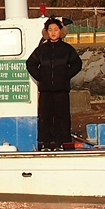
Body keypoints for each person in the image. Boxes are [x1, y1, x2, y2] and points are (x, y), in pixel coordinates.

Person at [25, 17, 82, 150]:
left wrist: (66, 75)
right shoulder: (41, 50)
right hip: (46, 90)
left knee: (61, 117)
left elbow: (77, 64)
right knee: (45, 117)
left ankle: (59, 143)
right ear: (46, 32)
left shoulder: (67, 49)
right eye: (50, 30)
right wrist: (40, 77)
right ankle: (45, 143)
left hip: (62, 90)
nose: (53, 32)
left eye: (56, 29)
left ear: (61, 31)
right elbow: (30, 63)